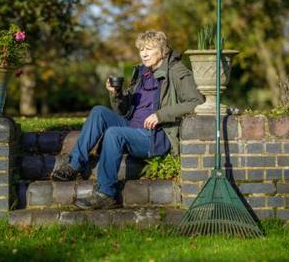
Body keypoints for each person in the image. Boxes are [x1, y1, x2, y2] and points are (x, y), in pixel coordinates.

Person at [51, 30, 204, 209]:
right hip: (132, 126)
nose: (144, 54)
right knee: (99, 111)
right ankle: (74, 165)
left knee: (114, 133)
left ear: (162, 51)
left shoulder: (177, 71)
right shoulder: (142, 72)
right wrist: (117, 95)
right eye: (141, 49)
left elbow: (197, 102)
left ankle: (106, 194)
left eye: (149, 49)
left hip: (155, 136)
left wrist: (161, 115)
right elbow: (124, 110)